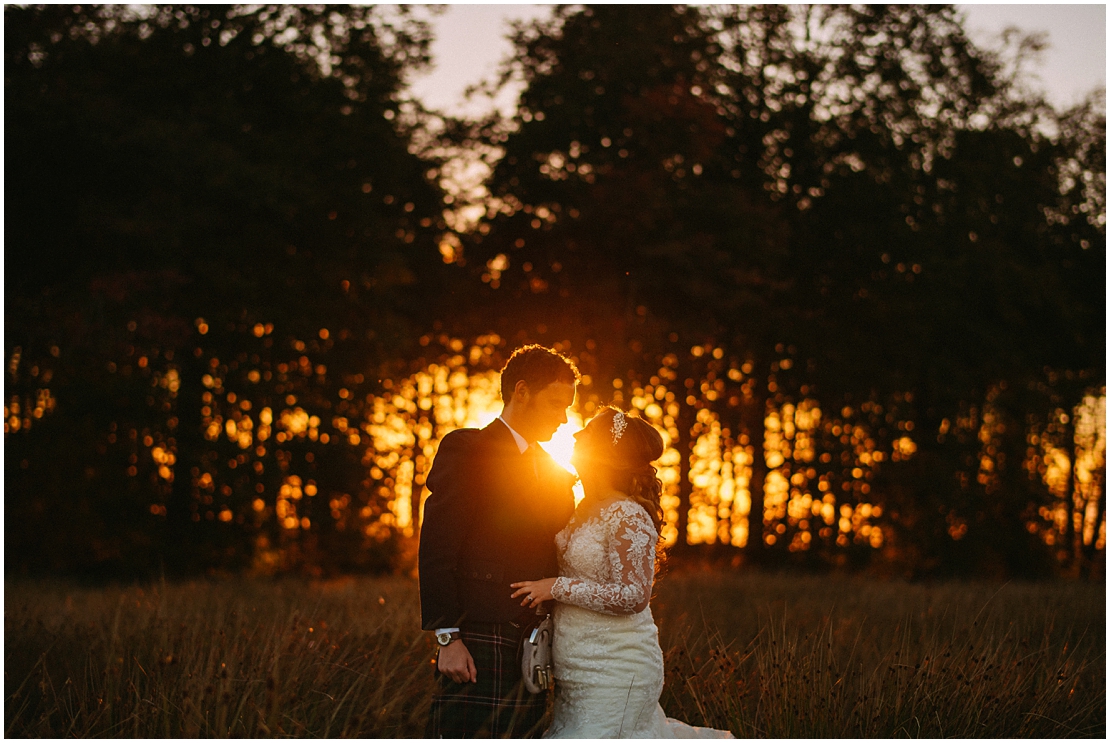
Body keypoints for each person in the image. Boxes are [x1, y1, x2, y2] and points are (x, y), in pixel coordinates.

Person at [511, 407, 734, 738]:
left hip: (618, 667)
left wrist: (558, 588)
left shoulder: (628, 515)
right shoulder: (581, 508)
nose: (574, 435)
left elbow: (635, 596)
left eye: (585, 433)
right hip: (576, 668)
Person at [419, 344, 580, 738]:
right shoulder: (467, 448)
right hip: (476, 637)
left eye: (567, 408)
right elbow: (438, 548)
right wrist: (447, 638)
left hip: (534, 643)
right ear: (521, 391)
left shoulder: (555, 470)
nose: (563, 419)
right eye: (555, 404)